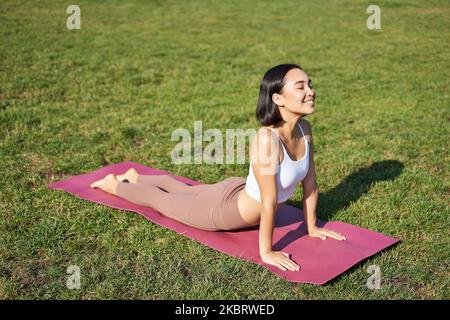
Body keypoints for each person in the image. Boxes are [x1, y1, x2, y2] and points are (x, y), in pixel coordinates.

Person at [90, 63, 346, 272]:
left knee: (185, 190)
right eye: (300, 86)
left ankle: (136, 176)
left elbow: (310, 184)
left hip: (238, 190)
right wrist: (266, 252)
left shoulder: (305, 130)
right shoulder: (267, 140)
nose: (310, 91)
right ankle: (114, 184)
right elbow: (269, 202)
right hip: (224, 211)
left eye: (310, 84)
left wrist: (312, 227)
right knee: (162, 201)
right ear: (277, 98)